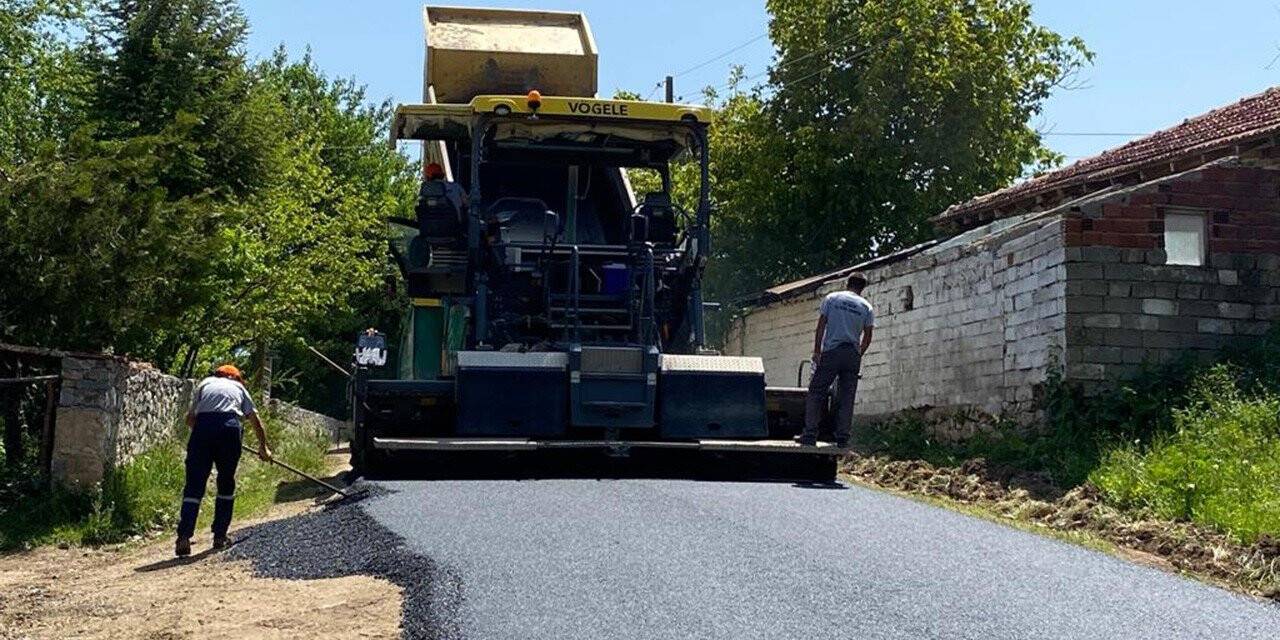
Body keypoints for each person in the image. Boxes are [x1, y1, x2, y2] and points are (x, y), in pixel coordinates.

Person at [175, 364, 271, 557]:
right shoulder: (239, 388)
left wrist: (206, 435)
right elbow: (254, 418)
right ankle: (219, 536)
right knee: (226, 482)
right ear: (235, 378)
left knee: (194, 485)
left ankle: (184, 537)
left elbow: (189, 419)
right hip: (229, 428)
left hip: (202, 429)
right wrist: (264, 447)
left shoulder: (205, 384)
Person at [799, 272, 875, 448]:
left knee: (817, 391)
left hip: (832, 352)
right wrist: (859, 353)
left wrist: (817, 351)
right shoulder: (866, 307)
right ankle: (842, 437)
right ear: (862, 288)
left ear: (847, 283)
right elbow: (868, 335)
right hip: (852, 355)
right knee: (847, 396)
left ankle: (810, 434)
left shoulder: (832, 299)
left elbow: (821, 326)